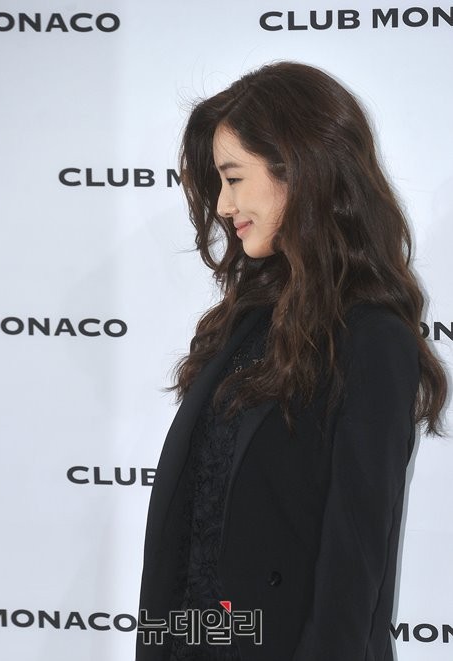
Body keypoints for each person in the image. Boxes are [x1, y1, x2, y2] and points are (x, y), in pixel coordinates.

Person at [135, 61, 448, 661]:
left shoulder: (371, 338)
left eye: (233, 178)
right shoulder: (245, 319)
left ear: (298, 169)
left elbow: (354, 567)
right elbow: (198, 534)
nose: (222, 204)